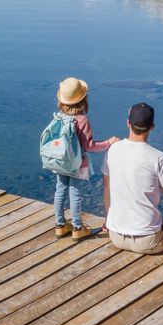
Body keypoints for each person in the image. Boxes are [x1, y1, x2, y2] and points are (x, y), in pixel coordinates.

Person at [102, 102, 163, 254]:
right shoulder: (159, 157)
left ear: (128, 123)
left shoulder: (112, 149)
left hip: (115, 235)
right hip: (148, 241)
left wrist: (109, 220)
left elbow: (107, 188)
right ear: (152, 127)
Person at [51, 77, 118, 240]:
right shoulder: (82, 120)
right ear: (83, 99)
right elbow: (89, 146)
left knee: (60, 190)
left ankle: (59, 225)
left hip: (59, 160)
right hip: (76, 164)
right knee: (75, 193)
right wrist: (108, 143)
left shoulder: (58, 116)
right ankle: (77, 227)